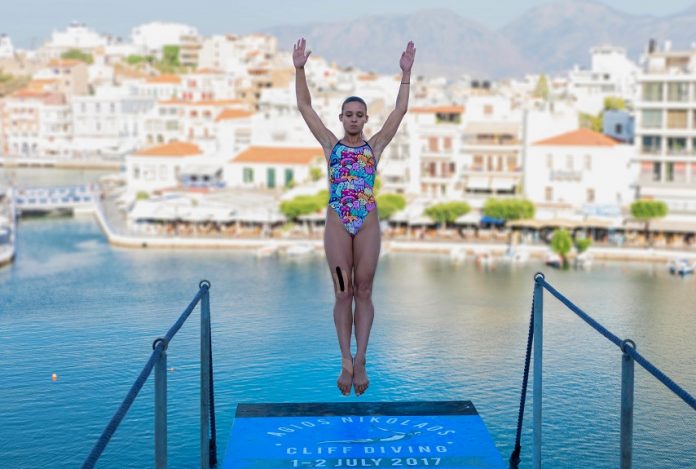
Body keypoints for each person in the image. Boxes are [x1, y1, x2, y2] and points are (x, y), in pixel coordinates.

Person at [293, 37, 416, 396]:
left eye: (360, 115)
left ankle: (361, 358)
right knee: (343, 291)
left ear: (365, 119)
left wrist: (406, 74)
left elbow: (400, 112)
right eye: (348, 114)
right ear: (342, 118)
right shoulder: (330, 146)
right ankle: (345, 359)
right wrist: (299, 69)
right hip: (336, 220)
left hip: (367, 221)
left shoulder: (373, 147)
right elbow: (304, 106)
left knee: (364, 289)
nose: (354, 119)